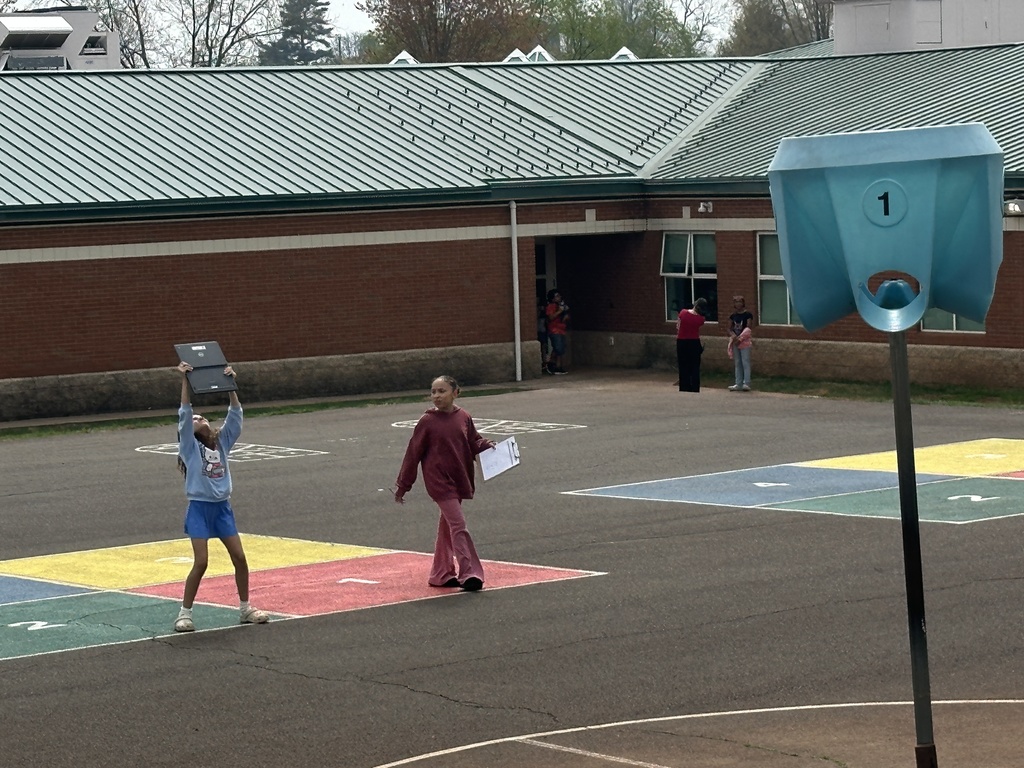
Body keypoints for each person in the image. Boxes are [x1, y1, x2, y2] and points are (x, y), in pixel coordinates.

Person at [173, 361, 269, 632]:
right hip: (200, 509)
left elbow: (235, 415)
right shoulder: (190, 449)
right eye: (194, 419)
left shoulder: (221, 442)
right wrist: (185, 381)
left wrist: (230, 386)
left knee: (239, 557)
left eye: (202, 417)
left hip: (222, 508)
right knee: (201, 562)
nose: (198, 418)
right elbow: (184, 413)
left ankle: (245, 608)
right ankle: (185, 613)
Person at [394, 375, 496, 591]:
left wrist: (486, 445)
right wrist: (404, 484)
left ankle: (441, 573)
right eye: (433, 392)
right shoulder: (427, 422)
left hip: (459, 478)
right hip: (439, 482)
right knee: (458, 525)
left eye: (442, 391)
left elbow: (473, 441)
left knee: (447, 527)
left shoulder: (464, 417)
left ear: (455, 393)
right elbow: (413, 454)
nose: (436, 396)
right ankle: (470, 573)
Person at [676, 298, 707, 392]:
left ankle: (684, 386)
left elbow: (678, 326)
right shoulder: (701, 319)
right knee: (694, 366)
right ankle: (694, 387)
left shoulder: (683, 312)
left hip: (681, 341)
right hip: (694, 342)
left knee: (683, 365)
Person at [727, 295, 754, 391]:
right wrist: (733, 336)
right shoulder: (733, 316)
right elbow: (729, 328)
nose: (738, 304)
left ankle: (746, 383)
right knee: (738, 362)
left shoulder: (748, 315)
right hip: (735, 341)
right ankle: (738, 383)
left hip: (744, 341)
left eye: (740, 302)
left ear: (743, 303)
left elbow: (748, 327)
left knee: (745, 361)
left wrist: (740, 338)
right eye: (736, 302)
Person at [544, 289, 570, 375]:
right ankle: (551, 363)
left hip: (561, 329)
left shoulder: (561, 306)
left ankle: (558, 366)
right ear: (552, 299)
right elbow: (550, 318)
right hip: (554, 330)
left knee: (560, 349)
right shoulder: (550, 306)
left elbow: (565, 317)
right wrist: (560, 311)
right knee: (558, 348)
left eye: (559, 296)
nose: (559, 297)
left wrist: (565, 315)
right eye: (557, 296)